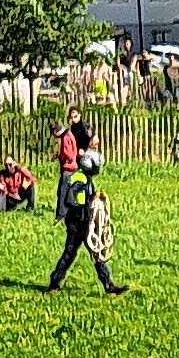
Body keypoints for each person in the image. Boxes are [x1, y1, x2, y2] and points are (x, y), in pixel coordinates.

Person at [48, 122, 125, 296]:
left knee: (97, 253)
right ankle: (53, 283)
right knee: (70, 253)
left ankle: (109, 286)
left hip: (85, 220)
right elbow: (74, 200)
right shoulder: (79, 179)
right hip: (77, 221)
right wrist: (90, 203)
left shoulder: (86, 179)